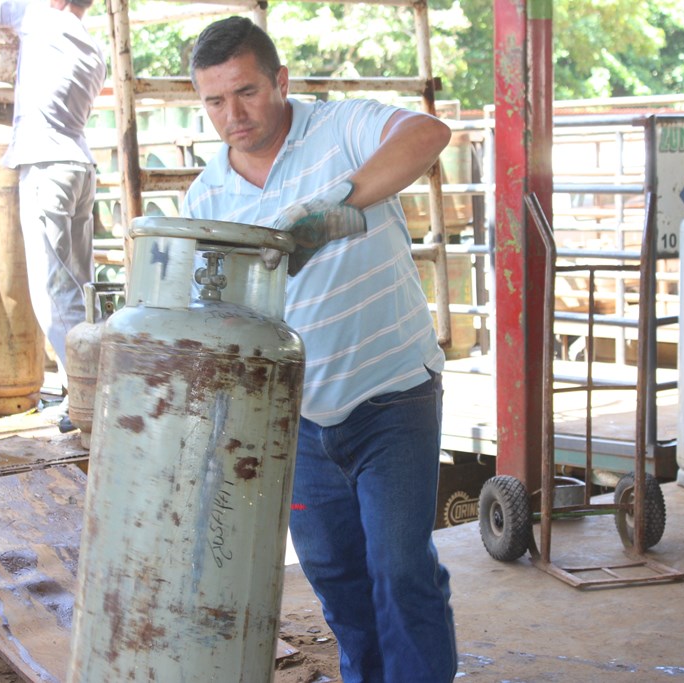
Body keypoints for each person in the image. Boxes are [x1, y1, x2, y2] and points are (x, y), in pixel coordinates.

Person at [184, 16, 458, 683]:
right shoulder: (207, 198)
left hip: (391, 392)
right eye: (215, 101)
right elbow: (214, 319)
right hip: (296, 420)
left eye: (246, 91)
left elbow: (429, 133)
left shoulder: (341, 129)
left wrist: (337, 201)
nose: (233, 114)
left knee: (400, 566)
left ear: (280, 80)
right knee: (337, 581)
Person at [0, 0, 107, 431]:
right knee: (80, 287)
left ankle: (93, 401)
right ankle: (93, 392)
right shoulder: (93, 46)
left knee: (53, 295)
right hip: (80, 166)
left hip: (48, 166)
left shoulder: (43, 20)